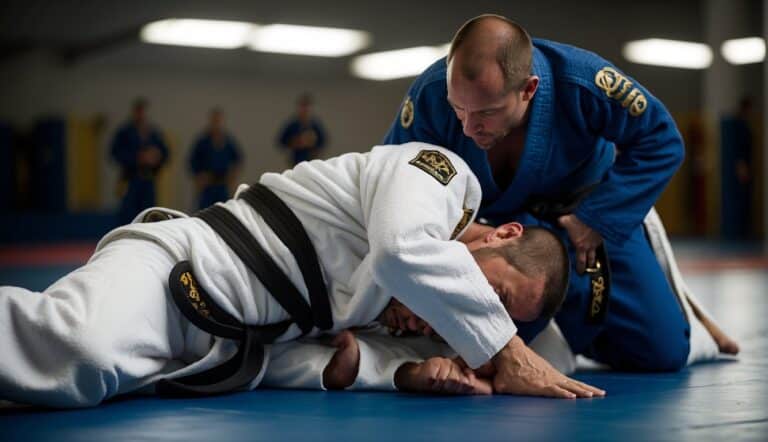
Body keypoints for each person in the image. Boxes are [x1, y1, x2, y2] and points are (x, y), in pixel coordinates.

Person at [0, 142, 603, 408]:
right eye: (491, 294)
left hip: (217, 356)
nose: (470, 309)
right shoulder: (440, 176)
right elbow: (399, 251)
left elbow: (336, 358)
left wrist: (414, 371)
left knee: (72, 392)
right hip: (177, 268)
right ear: (504, 234)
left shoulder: (403, 308)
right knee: (73, 349)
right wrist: (505, 347)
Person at [383, 14, 739, 372]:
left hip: (585, 216)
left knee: (663, 351)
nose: (469, 126)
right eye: (459, 109)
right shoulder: (430, 95)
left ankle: (676, 302)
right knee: (456, 353)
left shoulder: (581, 82)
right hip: (498, 232)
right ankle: (549, 323)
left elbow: (661, 141)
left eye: (488, 112)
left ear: (529, 89)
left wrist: (597, 217)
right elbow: (393, 183)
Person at [111, 98, 170, 225]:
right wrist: (137, 157)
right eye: (138, 111)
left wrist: (156, 156)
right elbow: (114, 153)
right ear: (134, 112)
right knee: (128, 215)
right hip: (131, 179)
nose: (141, 114)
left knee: (149, 215)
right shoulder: (124, 132)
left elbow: (165, 153)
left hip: (149, 179)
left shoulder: (153, 132)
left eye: (143, 111)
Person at [189, 108, 243, 210]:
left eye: (219, 121)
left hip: (222, 184)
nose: (217, 124)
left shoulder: (228, 141)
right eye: (214, 120)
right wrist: (198, 176)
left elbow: (238, 159)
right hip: (207, 185)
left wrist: (233, 176)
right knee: (204, 211)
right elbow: (192, 161)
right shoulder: (202, 141)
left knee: (223, 211)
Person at [277, 93, 327, 165]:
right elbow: (281, 141)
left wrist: (313, 141)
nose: (305, 110)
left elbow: (323, 141)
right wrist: (295, 142)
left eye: (307, 107)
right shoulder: (292, 124)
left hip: (312, 159)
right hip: (296, 159)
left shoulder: (315, 125)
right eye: (302, 106)